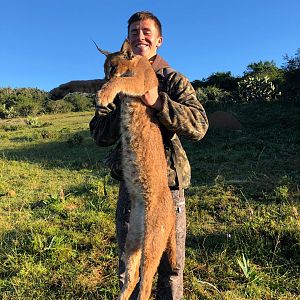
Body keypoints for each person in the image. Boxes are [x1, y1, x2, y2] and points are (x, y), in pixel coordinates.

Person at [50, 11, 208, 300]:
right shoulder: (116, 74)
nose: (139, 36)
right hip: (132, 183)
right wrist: (118, 95)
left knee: (170, 269)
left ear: (158, 40)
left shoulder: (173, 80)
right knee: (129, 264)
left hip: (168, 183)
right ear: (127, 40)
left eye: (146, 31)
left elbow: (199, 127)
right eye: (133, 31)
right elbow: (99, 135)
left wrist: (157, 102)